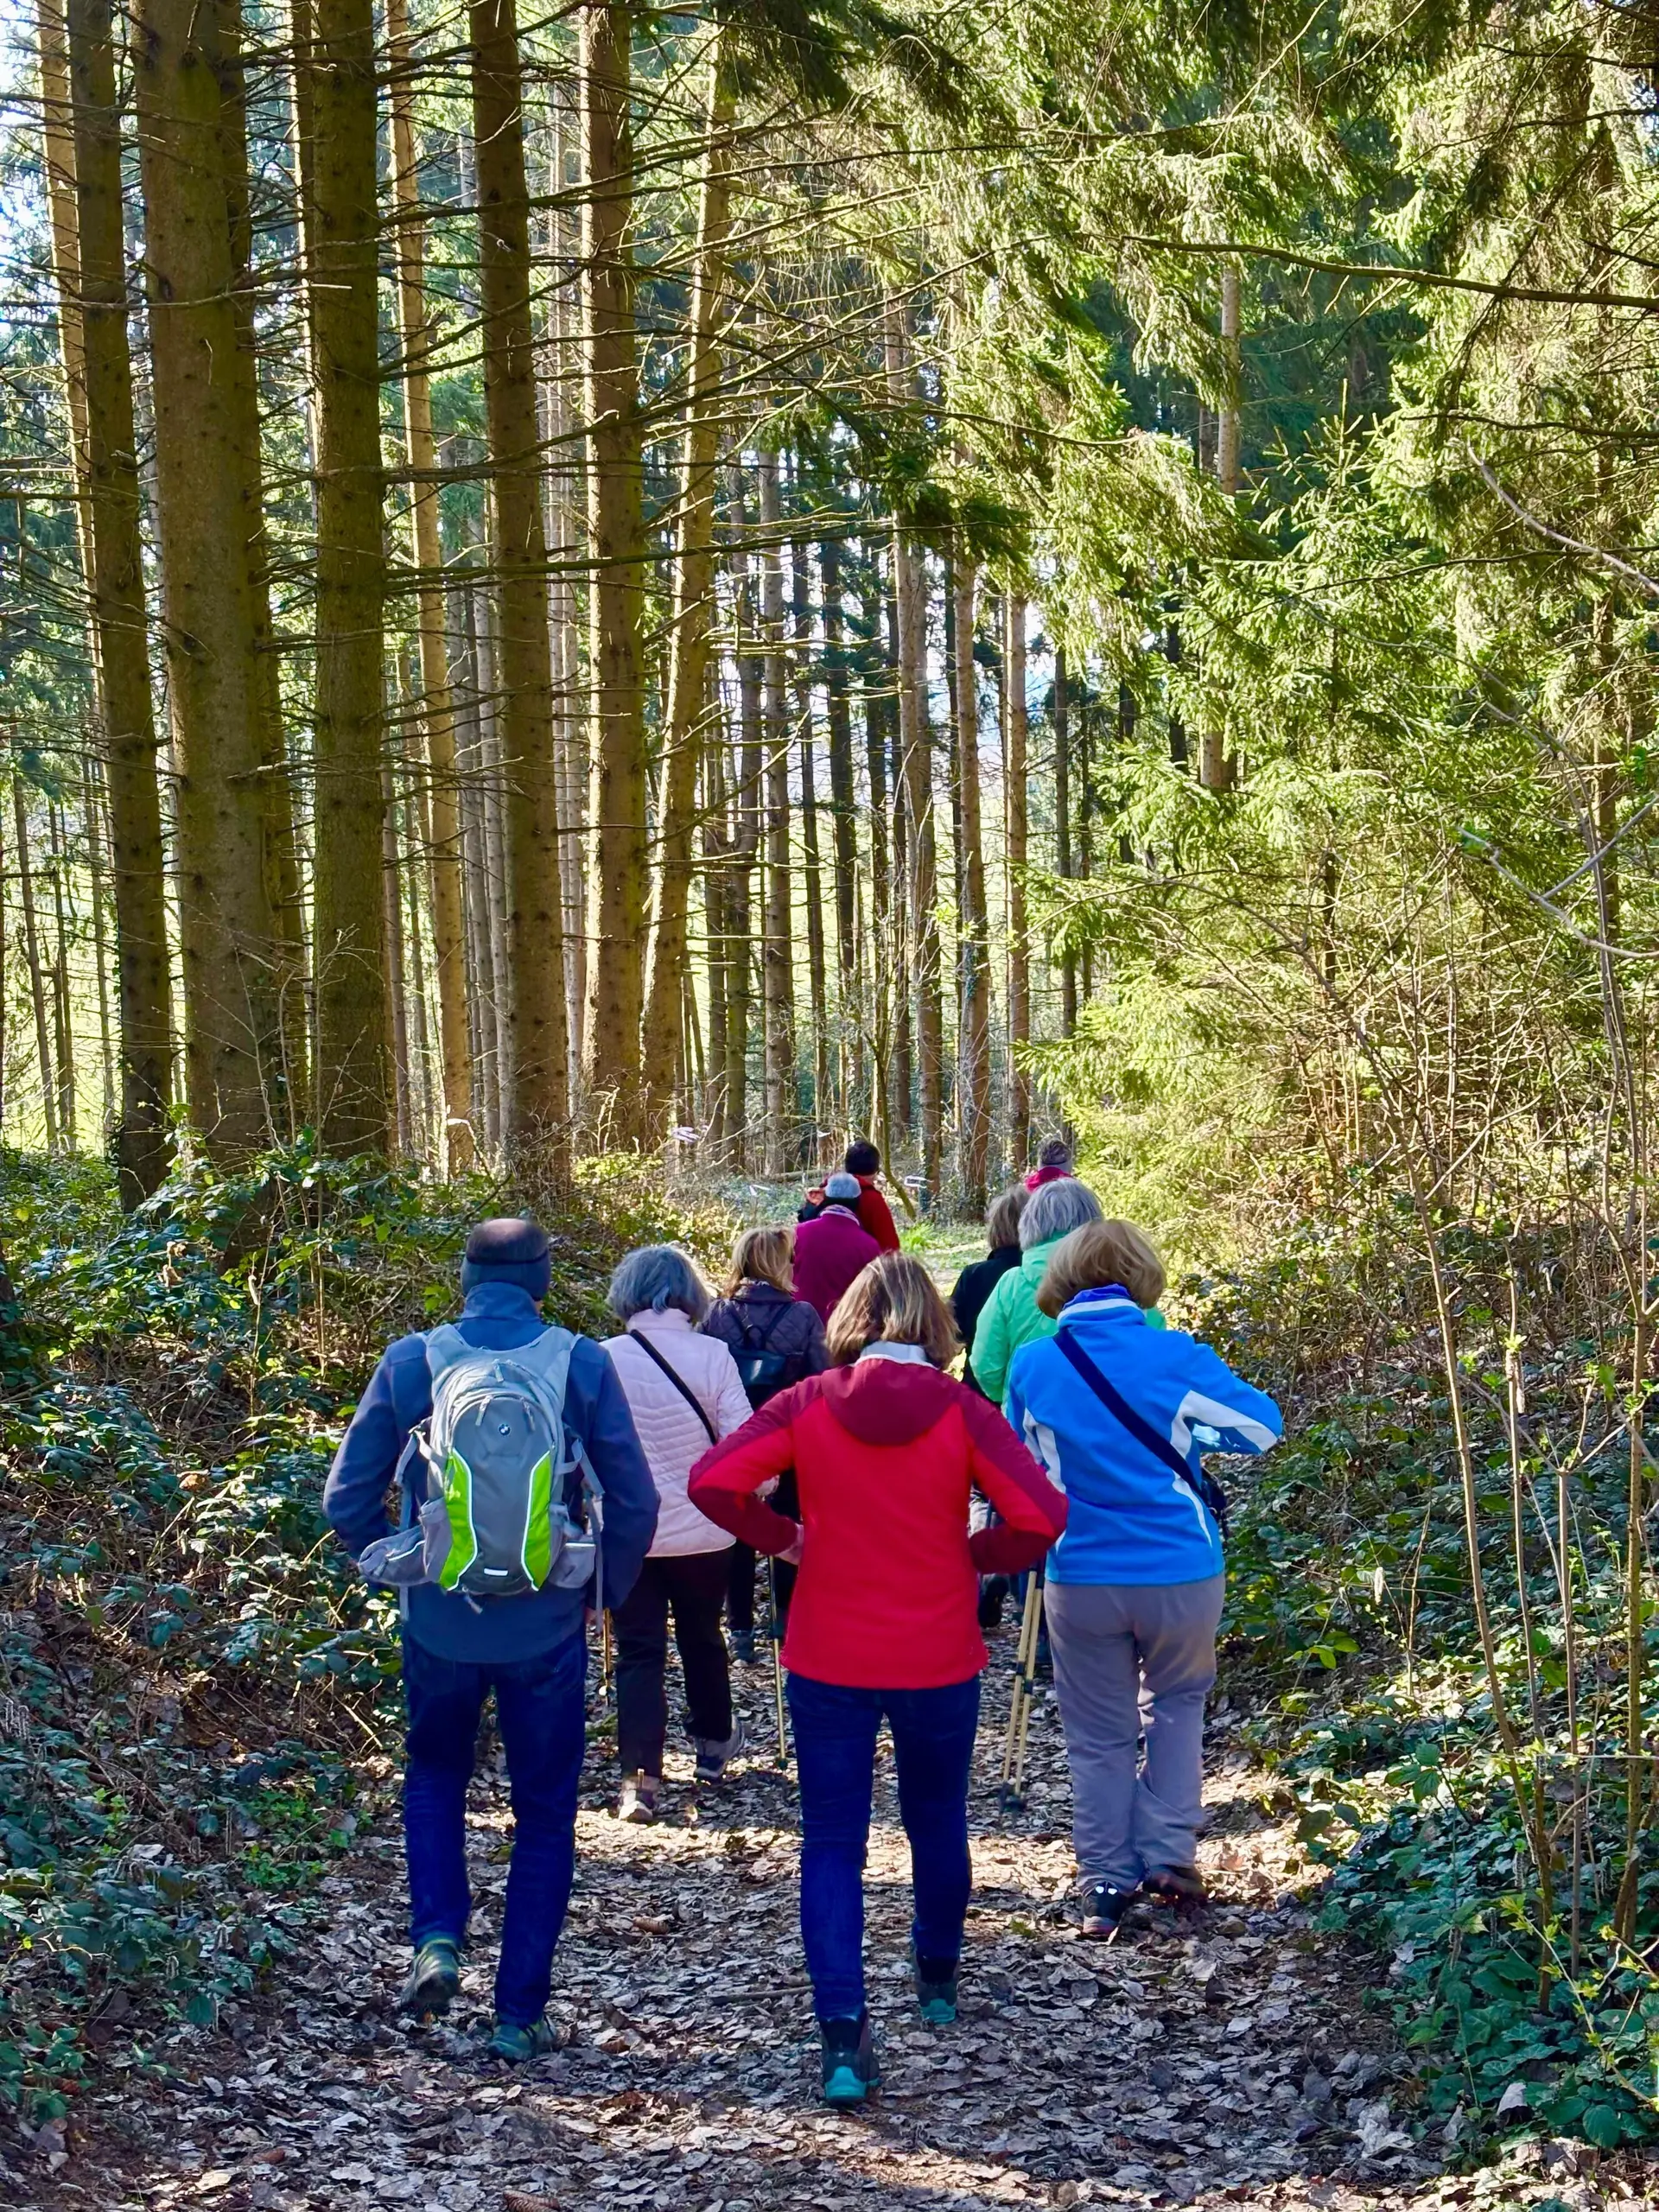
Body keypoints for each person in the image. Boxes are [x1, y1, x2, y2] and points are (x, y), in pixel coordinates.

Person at [688, 1253, 1068, 2106]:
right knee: (937, 1819)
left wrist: (782, 1537)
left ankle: (844, 2036)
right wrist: (973, 1555)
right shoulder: (964, 1411)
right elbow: (1041, 1517)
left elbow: (713, 1482)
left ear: (850, 1322)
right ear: (934, 1328)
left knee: (831, 1842)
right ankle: (936, 1979)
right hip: (937, 1652)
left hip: (828, 1654)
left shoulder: (806, 1404)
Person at [323, 1217, 659, 2062]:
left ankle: (437, 1939)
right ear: (542, 1281)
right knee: (545, 1814)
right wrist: (597, 1596)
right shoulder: (580, 1362)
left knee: (435, 1773)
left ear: (465, 1279)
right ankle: (518, 2015)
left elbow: (344, 1496)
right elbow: (637, 1501)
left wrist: (399, 1562)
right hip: (546, 1627)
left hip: (440, 1621)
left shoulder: (415, 1361)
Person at [1005, 1219, 1281, 1938]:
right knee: (1179, 1703)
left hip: (1080, 1569)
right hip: (1180, 1567)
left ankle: (1104, 1878)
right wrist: (1192, 1438)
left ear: (1062, 1278)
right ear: (1141, 1277)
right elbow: (1260, 1429)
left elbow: (1018, 1469)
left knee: (1097, 1734)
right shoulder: (1174, 1355)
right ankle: (1170, 1854)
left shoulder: (1033, 1365)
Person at [602, 1246, 753, 1822]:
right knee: (702, 1635)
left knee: (639, 1651)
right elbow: (743, 1443)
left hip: (630, 1533)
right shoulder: (714, 1355)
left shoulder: (602, 1358)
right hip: (704, 1530)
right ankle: (713, 1747)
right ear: (690, 1294)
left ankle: (640, 1780)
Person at [702, 1225, 828, 1661]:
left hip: (734, 1435)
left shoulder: (716, 1314)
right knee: (788, 1521)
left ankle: (739, 1628)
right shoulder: (804, 1315)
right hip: (789, 1436)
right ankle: (784, 1617)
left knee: (738, 1526)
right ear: (781, 1263)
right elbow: (821, 1379)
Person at [969, 1173, 1104, 1408]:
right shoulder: (1121, 1281)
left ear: (1031, 1222)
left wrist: (1010, 1397)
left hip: (1030, 1426)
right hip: (1107, 1428)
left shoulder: (1011, 1285)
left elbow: (986, 1365)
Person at [950, 1185, 1028, 1399]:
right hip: (1030, 1392)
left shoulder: (974, 1276)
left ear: (994, 1229)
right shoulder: (1049, 1276)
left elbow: (951, 1338)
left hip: (978, 1394)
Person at [792, 1173, 881, 1322]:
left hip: (798, 1326)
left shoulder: (798, 1233)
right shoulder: (869, 1245)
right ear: (857, 1202)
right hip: (844, 1331)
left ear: (826, 1198)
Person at [800, 1141, 901, 1251]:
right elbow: (890, 1246)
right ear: (875, 1171)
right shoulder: (873, 1199)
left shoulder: (823, 1191)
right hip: (861, 1264)